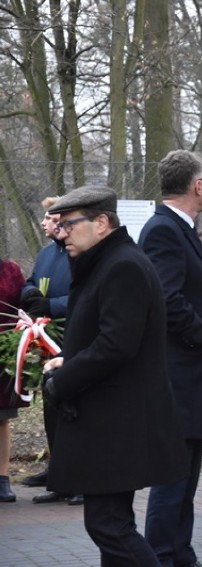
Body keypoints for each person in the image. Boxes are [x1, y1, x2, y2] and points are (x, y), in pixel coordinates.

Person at [42, 185, 188, 565]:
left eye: (69, 224)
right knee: (114, 525)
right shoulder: (108, 262)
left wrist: (65, 379)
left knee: (108, 526)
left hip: (118, 423)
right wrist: (68, 359)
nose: (61, 233)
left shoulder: (122, 265)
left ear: (102, 223)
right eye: (59, 225)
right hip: (114, 420)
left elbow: (116, 345)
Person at [139, 149, 202, 566]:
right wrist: (201, 335)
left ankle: (180, 552)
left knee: (186, 476)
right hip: (180, 378)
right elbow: (166, 296)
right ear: (199, 187)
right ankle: (163, 554)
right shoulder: (164, 230)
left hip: (190, 377)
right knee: (173, 479)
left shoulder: (177, 228)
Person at [21, 199, 78, 505]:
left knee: (74, 408)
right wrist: (30, 294)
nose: (44, 223)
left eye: (49, 217)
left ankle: (82, 478)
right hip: (47, 339)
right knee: (52, 408)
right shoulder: (46, 254)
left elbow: (87, 294)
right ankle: (59, 473)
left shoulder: (78, 254)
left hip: (73, 337)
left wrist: (53, 306)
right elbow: (31, 281)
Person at [0, 257, 25, 503]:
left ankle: (2, 479)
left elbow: (22, 306)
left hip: (3, 353)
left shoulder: (10, 270)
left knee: (1, 420)